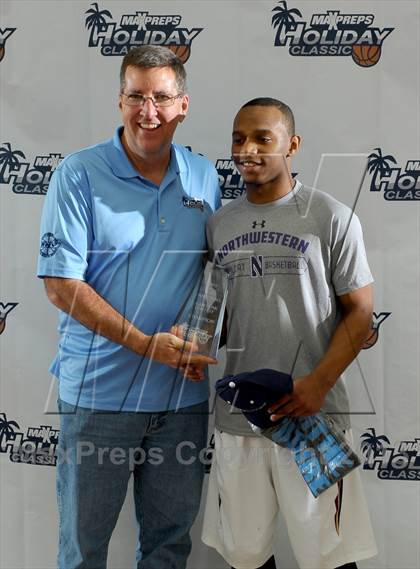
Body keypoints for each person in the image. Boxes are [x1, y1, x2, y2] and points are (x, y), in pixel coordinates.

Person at [37, 46, 221, 569]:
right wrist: (145, 345)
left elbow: (213, 276)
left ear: (183, 106)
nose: (149, 111)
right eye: (136, 96)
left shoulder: (204, 177)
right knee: (84, 549)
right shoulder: (78, 174)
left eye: (161, 98)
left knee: (169, 547)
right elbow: (59, 284)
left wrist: (201, 333)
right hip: (99, 398)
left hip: (180, 400)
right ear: (119, 102)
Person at [201, 98, 377, 569]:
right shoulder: (220, 223)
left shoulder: (331, 217)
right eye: (238, 138)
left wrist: (317, 385)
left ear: (292, 145)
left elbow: (361, 314)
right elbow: (209, 311)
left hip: (314, 416)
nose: (247, 149)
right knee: (245, 557)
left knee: (330, 557)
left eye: (263, 138)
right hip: (241, 419)